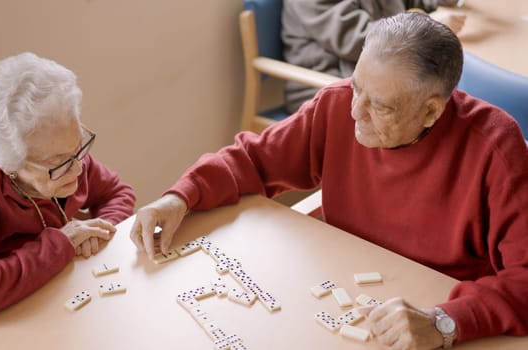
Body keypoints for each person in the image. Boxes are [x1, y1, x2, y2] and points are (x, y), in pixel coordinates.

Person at [130, 12, 528, 349]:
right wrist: (181, 197)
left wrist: (446, 322)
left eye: (381, 107)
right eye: (357, 89)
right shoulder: (336, 105)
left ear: (431, 112)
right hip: (346, 298)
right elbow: (253, 158)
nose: (356, 112)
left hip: (436, 314)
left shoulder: (497, 149)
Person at [0, 52, 136, 324]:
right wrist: (62, 243)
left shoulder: (63, 151)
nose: (79, 169)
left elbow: (117, 192)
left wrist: (97, 231)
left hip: (50, 286)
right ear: (9, 165)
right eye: (58, 163)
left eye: (78, 147)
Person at [282, 0, 467, 113]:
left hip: (379, 77)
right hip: (328, 86)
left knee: (443, 102)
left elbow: (413, 3)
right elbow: (358, 40)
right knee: (434, 106)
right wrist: (429, 23)